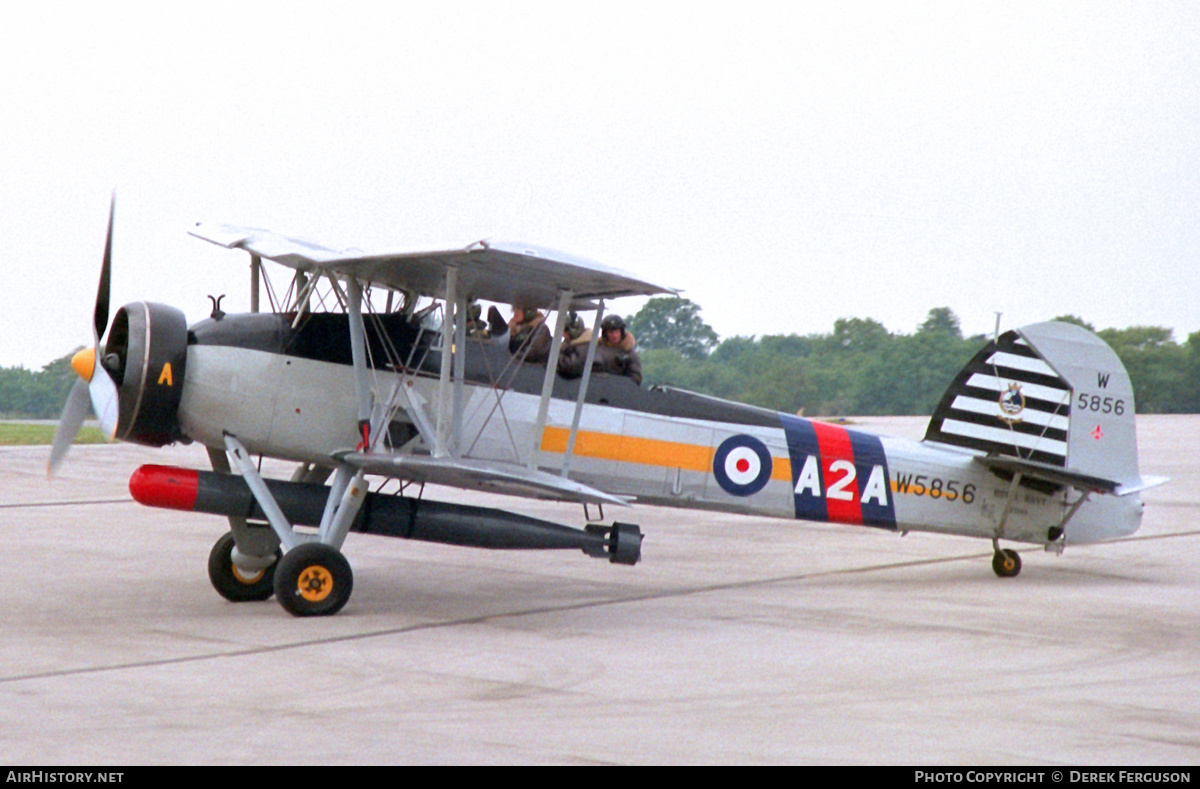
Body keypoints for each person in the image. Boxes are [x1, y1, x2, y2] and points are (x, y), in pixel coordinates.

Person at [595, 314, 642, 385]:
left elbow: (636, 378)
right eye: (611, 332)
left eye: (617, 331)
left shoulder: (629, 354)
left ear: (621, 332)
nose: (614, 335)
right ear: (605, 334)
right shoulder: (597, 351)